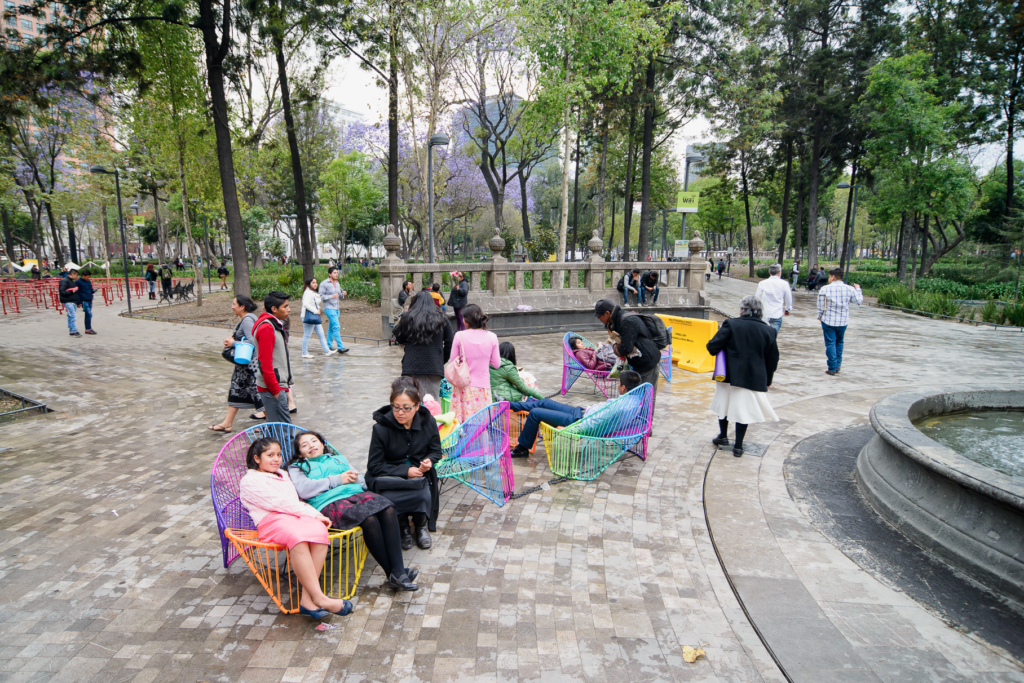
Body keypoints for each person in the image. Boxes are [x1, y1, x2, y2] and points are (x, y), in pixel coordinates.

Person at [287, 430, 419, 591]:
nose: (311, 446)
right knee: (369, 519)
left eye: (314, 441)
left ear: (322, 444)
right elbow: (304, 490)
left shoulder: (338, 459)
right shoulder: (298, 466)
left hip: (357, 495)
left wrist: (356, 478)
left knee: (388, 508)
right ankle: (395, 573)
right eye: (304, 445)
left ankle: (398, 572)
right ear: (300, 453)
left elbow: (363, 482)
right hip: (330, 502)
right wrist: (337, 480)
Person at [238, 437, 353, 618]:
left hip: (296, 516)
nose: (276, 459)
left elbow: (295, 502)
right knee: (298, 537)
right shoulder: (250, 480)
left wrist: (315, 515)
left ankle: (307, 601)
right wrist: (313, 513)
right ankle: (321, 598)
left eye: (279, 455)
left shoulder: (283, 475)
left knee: (319, 531)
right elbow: (280, 504)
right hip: (272, 521)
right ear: (257, 458)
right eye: (270, 455)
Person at [367, 380, 442, 550]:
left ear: (417, 406)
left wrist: (429, 460)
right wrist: (406, 470)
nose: (400, 412)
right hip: (389, 475)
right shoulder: (381, 429)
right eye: (396, 407)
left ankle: (421, 525)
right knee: (393, 497)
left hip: (420, 473)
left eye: (406, 408)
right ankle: (403, 528)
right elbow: (374, 465)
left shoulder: (428, 422)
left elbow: (436, 450)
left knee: (422, 491)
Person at [705, 295, 780, 457]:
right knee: (743, 410)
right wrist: (768, 380)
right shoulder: (769, 330)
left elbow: (712, 347)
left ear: (742, 309)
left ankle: (723, 436)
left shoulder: (731, 324)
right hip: (752, 377)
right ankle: (738, 446)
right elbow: (772, 359)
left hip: (728, 374)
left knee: (723, 405)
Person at [509, 370, 644, 458]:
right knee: (544, 402)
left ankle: (523, 448)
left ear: (623, 388)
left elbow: (595, 422)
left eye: (619, 383)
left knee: (535, 413)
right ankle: (510, 404)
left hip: (578, 421)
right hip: (581, 412)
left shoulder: (619, 406)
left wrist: (570, 430)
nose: (618, 384)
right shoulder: (636, 400)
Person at [209, 295, 265, 432]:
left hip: (250, 367)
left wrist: (233, 343)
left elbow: (253, 342)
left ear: (242, 306)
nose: (232, 306)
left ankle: (271, 424)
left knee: (258, 394)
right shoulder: (249, 318)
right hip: (244, 367)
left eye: (234, 304)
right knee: (236, 391)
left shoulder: (247, 320)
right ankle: (227, 423)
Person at [392, 291, 453, 399]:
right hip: (434, 366)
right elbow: (450, 341)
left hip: (411, 365)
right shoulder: (442, 318)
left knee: (411, 400)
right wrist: (441, 359)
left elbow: (399, 337)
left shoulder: (408, 317)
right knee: (432, 403)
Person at [594, 299, 661, 395]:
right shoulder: (617, 321)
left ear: (607, 313)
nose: (598, 318)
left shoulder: (626, 321)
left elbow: (625, 349)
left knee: (647, 397)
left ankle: (646, 411)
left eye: (599, 316)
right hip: (639, 362)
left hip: (648, 361)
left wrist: (614, 346)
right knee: (637, 396)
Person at [449, 304, 500, 422]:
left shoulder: (459, 335)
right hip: (483, 388)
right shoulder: (492, 337)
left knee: (462, 424)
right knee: (481, 425)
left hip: (463, 387)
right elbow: (496, 364)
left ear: (466, 320)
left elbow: (452, 361)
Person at [253, 291, 294, 424]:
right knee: (284, 430)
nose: (289, 309)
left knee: (277, 428)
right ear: (274, 309)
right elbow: (265, 363)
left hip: (277, 386)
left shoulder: (273, 324)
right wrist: (276, 391)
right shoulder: (267, 328)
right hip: (273, 388)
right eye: (285, 306)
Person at [817, 268, 862, 376]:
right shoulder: (849, 289)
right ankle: (837, 365)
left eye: (829, 277)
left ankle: (832, 367)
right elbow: (858, 301)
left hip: (828, 320)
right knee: (840, 342)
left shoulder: (825, 289)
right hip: (843, 321)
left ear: (833, 277)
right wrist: (858, 289)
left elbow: (820, 305)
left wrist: (819, 316)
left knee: (830, 343)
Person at [300, 277, 336, 359]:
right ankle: (304, 352)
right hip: (308, 316)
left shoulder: (313, 292)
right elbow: (305, 304)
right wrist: (316, 311)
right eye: (313, 283)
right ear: (309, 284)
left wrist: (318, 308)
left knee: (321, 334)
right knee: (307, 335)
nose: (315, 284)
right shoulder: (308, 292)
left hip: (314, 317)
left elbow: (314, 303)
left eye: (316, 282)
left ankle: (327, 351)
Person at [754, 263, 793, 333]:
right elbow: (788, 299)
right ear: (780, 272)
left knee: (763, 337)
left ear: (769, 272)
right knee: (772, 337)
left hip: (764, 314)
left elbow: (757, 298)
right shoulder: (784, 284)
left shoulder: (762, 283)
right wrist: (787, 309)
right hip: (776, 314)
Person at [318, 266, 349, 354]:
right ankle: (340, 347)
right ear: (329, 274)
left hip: (336, 308)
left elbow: (339, 295)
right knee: (337, 326)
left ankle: (328, 346)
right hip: (328, 308)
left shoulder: (337, 283)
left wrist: (343, 294)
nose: (336, 274)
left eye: (337, 273)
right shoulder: (324, 283)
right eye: (334, 273)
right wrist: (331, 296)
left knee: (331, 328)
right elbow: (320, 296)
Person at [58, 268, 81, 337]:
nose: (77, 277)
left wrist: (77, 302)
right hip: (68, 300)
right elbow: (62, 291)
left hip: (72, 300)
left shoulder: (71, 281)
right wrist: (71, 291)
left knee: (70, 316)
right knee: (73, 315)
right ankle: (75, 330)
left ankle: (71, 330)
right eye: (76, 275)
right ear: (72, 274)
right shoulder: (64, 281)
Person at [78, 270, 96, 335]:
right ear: (83, 275)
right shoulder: (78, 282)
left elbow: (90, 289)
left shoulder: (88, 281)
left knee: (88, 315)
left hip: (89, 299)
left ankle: (88, 328)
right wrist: (79, 302)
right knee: (89, 314)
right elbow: (77, 293)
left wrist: (93, 291)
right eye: (87, 277)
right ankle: (88, 328)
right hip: (84, 300)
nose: (88, 278)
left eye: (88, 277)